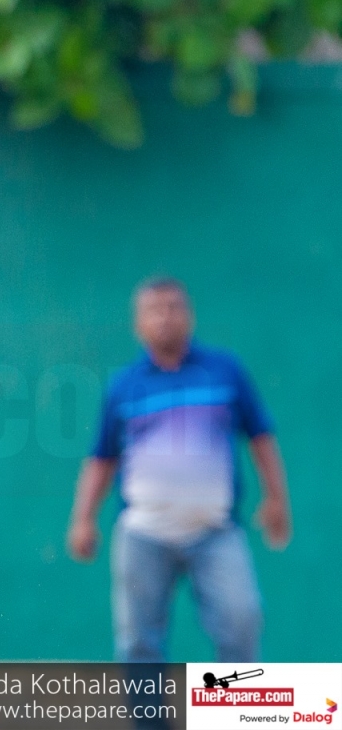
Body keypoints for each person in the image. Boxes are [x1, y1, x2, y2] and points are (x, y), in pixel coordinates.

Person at [67, 277, 292, 663]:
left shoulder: (225, 371)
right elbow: (101, 458)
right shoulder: (124, 386)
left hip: (216, 531)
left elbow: (261, 437)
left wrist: (276, 498)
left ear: (189, 315)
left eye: (174, 307)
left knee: (242, 621)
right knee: (138, 643)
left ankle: (235, 703)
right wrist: (83, 519)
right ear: (138, 323)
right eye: (154, 310)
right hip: (143, 535)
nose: (165, 317)